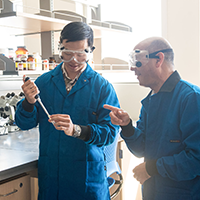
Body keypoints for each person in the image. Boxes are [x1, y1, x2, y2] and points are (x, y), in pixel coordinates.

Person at [15, 22, 120, 200]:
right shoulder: (44, 83)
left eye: (80, 54)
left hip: (87, 179)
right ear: (60, 48)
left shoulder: (102, 87)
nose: (73, 60)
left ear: (90, 51)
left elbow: (109, 133)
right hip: (52, 178)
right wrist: (28, 102)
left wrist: (77, 130)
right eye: (68, 53)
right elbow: (24, 123)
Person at [104, 37, 200, 200]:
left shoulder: (191, 98)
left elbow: (196, 159)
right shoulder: (151, 100)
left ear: (159, 59)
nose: (132, 68)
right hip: (153, 192)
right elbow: (142, 149)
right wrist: (127, 126)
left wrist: (152, 168)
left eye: (137, 61)